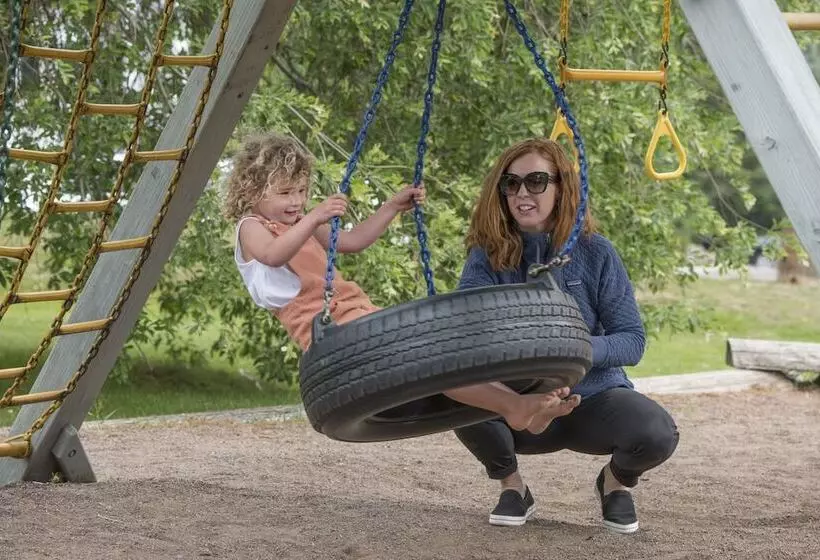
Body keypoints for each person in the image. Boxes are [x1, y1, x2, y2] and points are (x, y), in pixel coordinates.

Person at [222, 133, 578, 436]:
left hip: (360, 316)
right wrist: (315, 216)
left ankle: (517, 406)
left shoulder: (301, 221)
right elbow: (272, 254)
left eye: (302, 190)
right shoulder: (251, 228)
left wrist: (391, 207)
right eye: (286, 192)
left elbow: (352, 240)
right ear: (252, 192)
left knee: (439, 355)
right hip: (331, 337)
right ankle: (513, 406)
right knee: (428, 357)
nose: (297, 201)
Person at [454, 137, 679, 533]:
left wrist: (576, 349)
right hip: (520, 409)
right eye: (511, 183)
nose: (522, 193)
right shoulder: (485, 258)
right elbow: (468, 336)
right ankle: (512, 486)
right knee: (454, 394)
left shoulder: (597, 252)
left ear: (562, 187)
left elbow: (632, 340)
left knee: (657, 433)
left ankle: (615, 484)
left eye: (536, 181)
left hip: (593, 400)